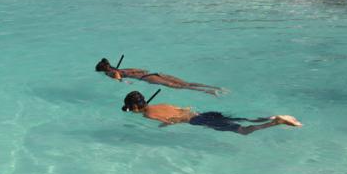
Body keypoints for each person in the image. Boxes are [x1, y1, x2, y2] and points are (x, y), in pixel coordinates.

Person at [121, 90, 301, 134]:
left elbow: (171, 121)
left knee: (244, 131)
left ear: (136, 107)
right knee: (243, 119)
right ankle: (271, 117)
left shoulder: (148, 114)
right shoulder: (162, 103)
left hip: (198, 121)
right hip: (201, 114)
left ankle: (276, 121)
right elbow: (182, 109)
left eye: (131, 109)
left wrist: (161, 126)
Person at [95, 55, 225, 95]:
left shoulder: (110, 72)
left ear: (102, 70)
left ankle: (209, 92)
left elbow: (117, 76)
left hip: (147, 78)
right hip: (154, 73)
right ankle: (215, 87)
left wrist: (124, 82)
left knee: (180, 87)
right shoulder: (123, 68)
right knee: (186, 82)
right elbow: (141, 69)